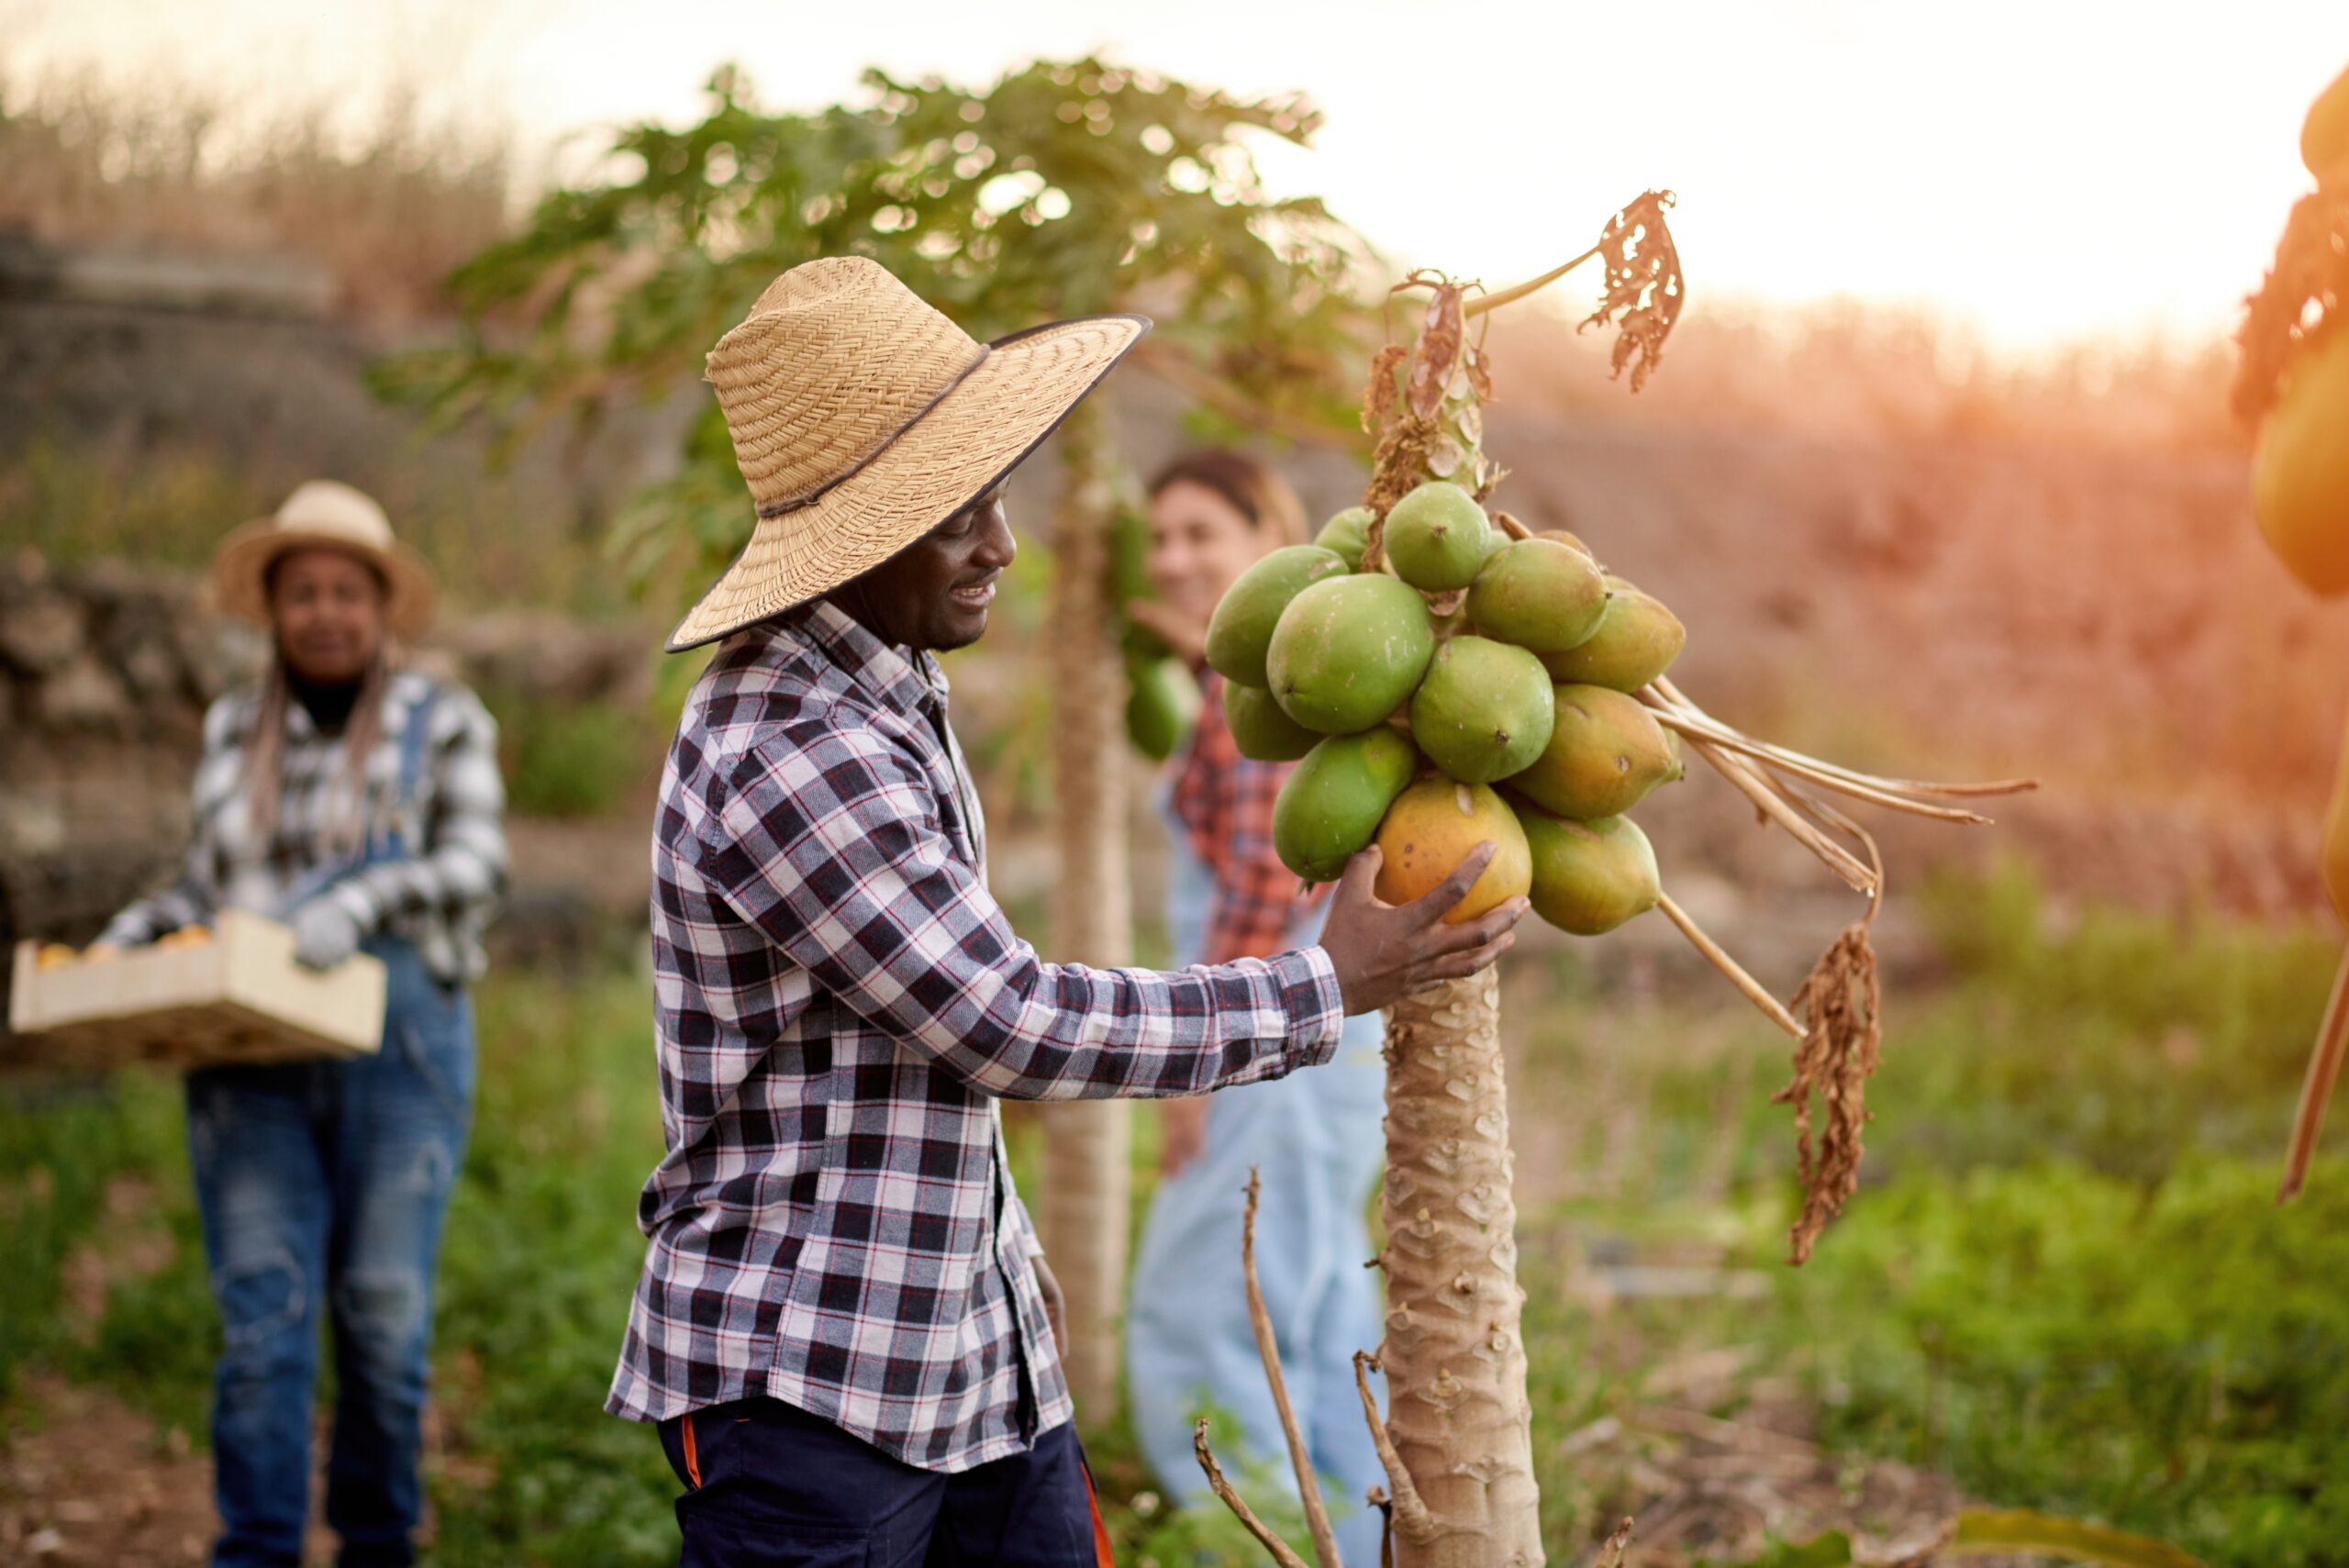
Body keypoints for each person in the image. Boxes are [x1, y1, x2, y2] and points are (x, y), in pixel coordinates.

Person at [606, 256, 1526, 1568]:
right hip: (811, 1382)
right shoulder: (795, 742)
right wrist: (1323, 984)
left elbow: (916, 1041)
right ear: (853, 540)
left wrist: (1008, 1269)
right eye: (955, 518)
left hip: (968, 1353)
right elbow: (1002, 1020)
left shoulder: (887, 686)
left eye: (994, 499)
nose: (1003, 544)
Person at [93, 480, 507, 1568]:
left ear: (381, 607)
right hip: (250, 1053)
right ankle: (258, 1548)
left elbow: (477, 863)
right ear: (272, 610)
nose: (325, 611)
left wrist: (360, 902)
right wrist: (129, 939)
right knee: (263, 1322)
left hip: (401, 1043)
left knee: (382, 1317)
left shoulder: (444, 719)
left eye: (345, 591)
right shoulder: (234, 725)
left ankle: (376, 1543)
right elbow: (201, 887)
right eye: (302, 592)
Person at [1121, 451, 1388, 1564]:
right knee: (1318, 1297)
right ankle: (1363, 1531)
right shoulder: (1295, 679)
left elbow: (1253, 891)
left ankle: (1250, 1537)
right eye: (1161, 539)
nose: (1176, 560)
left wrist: (1195, 1080)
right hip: (1329, 1028)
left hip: (1262, 1026)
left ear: (1265, 535)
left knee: (1207, 1302)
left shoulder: (1250, 705)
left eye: (1202, 535)